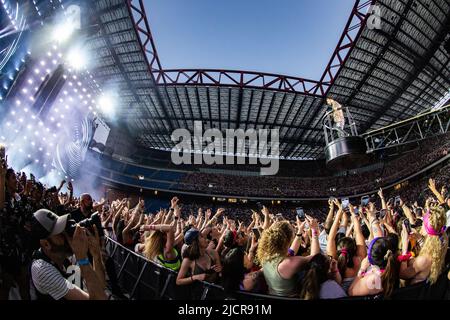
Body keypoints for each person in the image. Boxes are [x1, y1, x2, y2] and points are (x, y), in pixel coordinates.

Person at [30, 209, 107, 300]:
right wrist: (82, 257)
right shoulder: (42, 269)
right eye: (60, 233)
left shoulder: (67, 257)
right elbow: (99, 298)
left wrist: (96, 255)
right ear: (46, 244)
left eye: (65, 228)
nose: (66, 234)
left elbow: (100, 288)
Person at [256, 218, 320, 297]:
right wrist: (314, 231)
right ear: (288, 240)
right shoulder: (289, 263)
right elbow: (316, 258)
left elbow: (291, 252)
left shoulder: (266, 256)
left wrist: (299, 232)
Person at [399, 205, 448, 285]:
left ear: (427, 229)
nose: (421, 226)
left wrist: (404, 249)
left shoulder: (423, 260)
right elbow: (432, 251)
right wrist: (419, 238)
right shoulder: (443, 239)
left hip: (415, 293)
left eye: (423, 224)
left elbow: (403, 275)